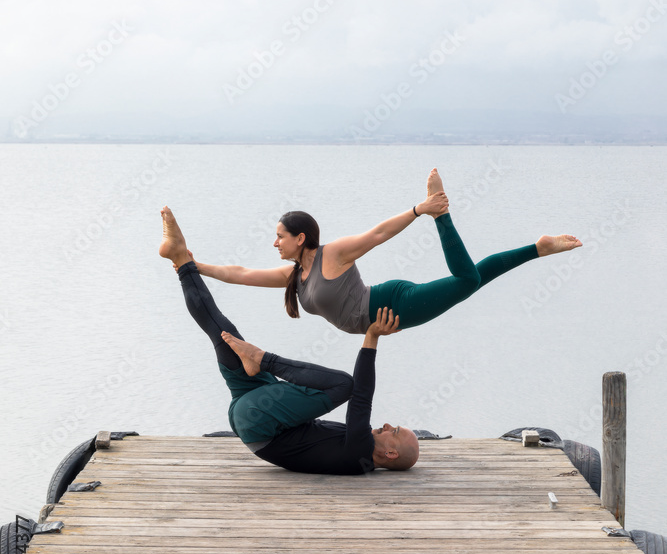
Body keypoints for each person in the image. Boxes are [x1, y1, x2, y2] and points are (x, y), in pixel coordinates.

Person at [159, 207, 419, 475]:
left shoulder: (360, 452)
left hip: (260, 421)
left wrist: (372, 335)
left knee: (345, 384)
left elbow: (362, 395)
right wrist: (194, 267)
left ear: (390, 453)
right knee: (223, 331)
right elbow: (244, 274)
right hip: (255, 415)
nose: (388, 425)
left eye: (394, 431)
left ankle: (262, 359)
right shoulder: (355, 452)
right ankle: (181, 262)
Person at [189, 169, 583, 334]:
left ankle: (440, 213)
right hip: (383, 307)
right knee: (473, 279)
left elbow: (377, 234)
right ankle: (539, 247)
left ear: (301, 238)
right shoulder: (292, 276)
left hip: (390, 308)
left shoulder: (334, 254)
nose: (274, 243)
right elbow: (237, 273)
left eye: (279, 236)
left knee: (468, 280)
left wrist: (419, 210)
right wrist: (191, 265)